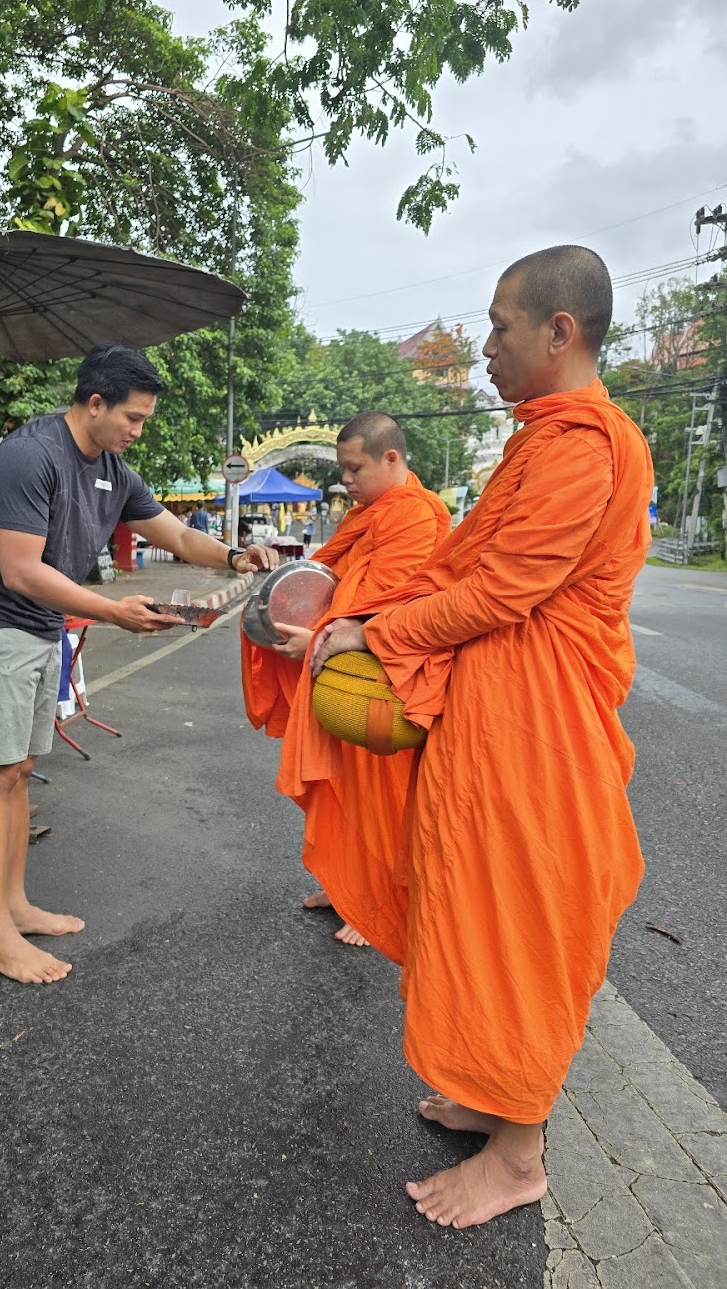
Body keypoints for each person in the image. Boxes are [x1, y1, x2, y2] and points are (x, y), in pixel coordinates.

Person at [311, 246, 654, 1228]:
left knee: (520, 914)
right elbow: (478, 568)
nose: (487, 344)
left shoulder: (582, 444)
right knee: (467, 895)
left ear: (560, 331)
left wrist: (376, 630)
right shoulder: (541, 437)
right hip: (497, 714)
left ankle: (518, 1153)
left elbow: (505, 590)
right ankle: (491, 1092)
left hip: (538, 725)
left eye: (500, 325)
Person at [0, 343, 278, 987]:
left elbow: (176, 536)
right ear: (94, 403)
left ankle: (14, 906)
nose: (138, 430)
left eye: (144, 419)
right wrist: (110, 609)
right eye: (134, 417)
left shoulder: (113, 470)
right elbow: (20, 570)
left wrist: (234, 556)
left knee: (22, 769)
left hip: (41, 628)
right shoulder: (29, 456)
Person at [242, 414, 450, 944]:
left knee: (383, 795)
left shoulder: (416, 516)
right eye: (343, 470)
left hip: (383, 677)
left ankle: (377, 904)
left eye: (355, 469)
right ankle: (345, 887)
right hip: (342, 666)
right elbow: (332, 585)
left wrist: (316, 639)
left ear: (391, 459)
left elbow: (390, 606)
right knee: (346, 788)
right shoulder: (370, 514)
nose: (347, 481)